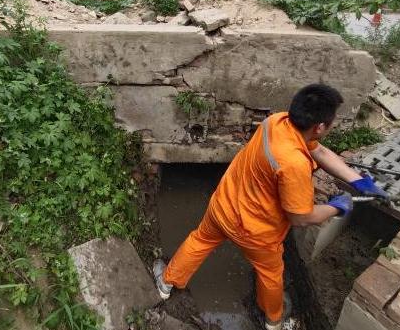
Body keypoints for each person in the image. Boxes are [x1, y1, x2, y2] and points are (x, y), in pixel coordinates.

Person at [153, 84, 388, 330]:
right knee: (270, 274)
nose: (333, 125)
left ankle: (166, 282)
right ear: (319, 127)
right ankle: (274, 321)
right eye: (332, 122)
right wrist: (338, 207)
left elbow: (321, 152)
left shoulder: (277, 122)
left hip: (224, 206)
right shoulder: (294, 164)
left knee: (200, 240)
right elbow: (301, 217)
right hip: (256, 232)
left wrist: (356, 179)